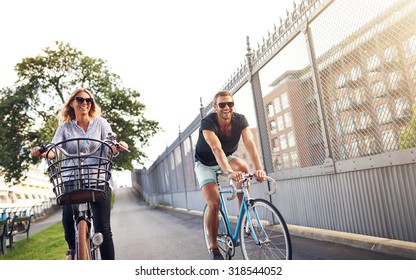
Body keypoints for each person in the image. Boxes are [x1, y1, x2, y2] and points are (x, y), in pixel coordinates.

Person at [31, 87, 128, 260]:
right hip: (72, 179)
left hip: (97, 178)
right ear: (72, 103)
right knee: (68, 217)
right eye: (80, 100)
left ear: (91, 104)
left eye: (88, 100)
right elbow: (55, 149)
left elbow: (110, 144)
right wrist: (42, 152)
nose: (84, 103)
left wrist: (117, 146)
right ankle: (73, 250)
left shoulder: (101, 124)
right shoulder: (64, 128)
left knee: (103, 228)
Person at [194, 90, 266, 260]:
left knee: (243, 166)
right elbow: (216, 149)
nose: (227, 107)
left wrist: (258, 168)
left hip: (226, 158)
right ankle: (214, 247)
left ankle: (244, 217)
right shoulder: (208, 122)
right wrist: (229, 172)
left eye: (230, 104)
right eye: (222, 104)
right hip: (205, 164)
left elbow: (250, 143)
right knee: (213, 203)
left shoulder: (240, 120)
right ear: (215, 107)